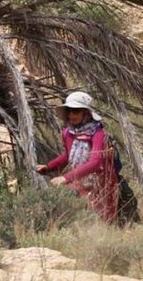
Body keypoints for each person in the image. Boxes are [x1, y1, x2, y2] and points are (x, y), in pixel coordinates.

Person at [35, 91, 121, 224]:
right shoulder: (68, 133)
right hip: (80, 179)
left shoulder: (98, 134)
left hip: (101, 182)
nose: (71, 115)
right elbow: (68, 155)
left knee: (103, 219)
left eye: (76, 111)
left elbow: (95, 163)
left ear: (85, 113)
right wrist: (48, 166)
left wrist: (65, 177)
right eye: (69, 111)